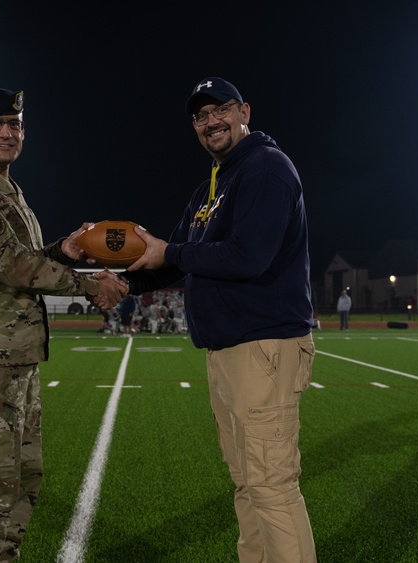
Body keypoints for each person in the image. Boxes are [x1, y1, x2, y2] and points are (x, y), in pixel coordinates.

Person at [0, 87, 126, 563]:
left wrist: (64, 250)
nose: (7, 132)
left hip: (14, 356)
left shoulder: (6, 191)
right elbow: (13, 267)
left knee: (22, 478)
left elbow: (25, 261)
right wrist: (91, 285)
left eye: (15, 125)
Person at [119, 77, 317, 562]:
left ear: (244, 111)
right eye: (201, 116)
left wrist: (173, 251)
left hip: (263, 346)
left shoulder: (266, 168)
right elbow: (173, 258)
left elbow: (249, 257)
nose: (211, 122)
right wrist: (121, 280)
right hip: (228, 350)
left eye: (221, 110)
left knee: (270, 484)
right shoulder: (215, 181)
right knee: (247, 483)